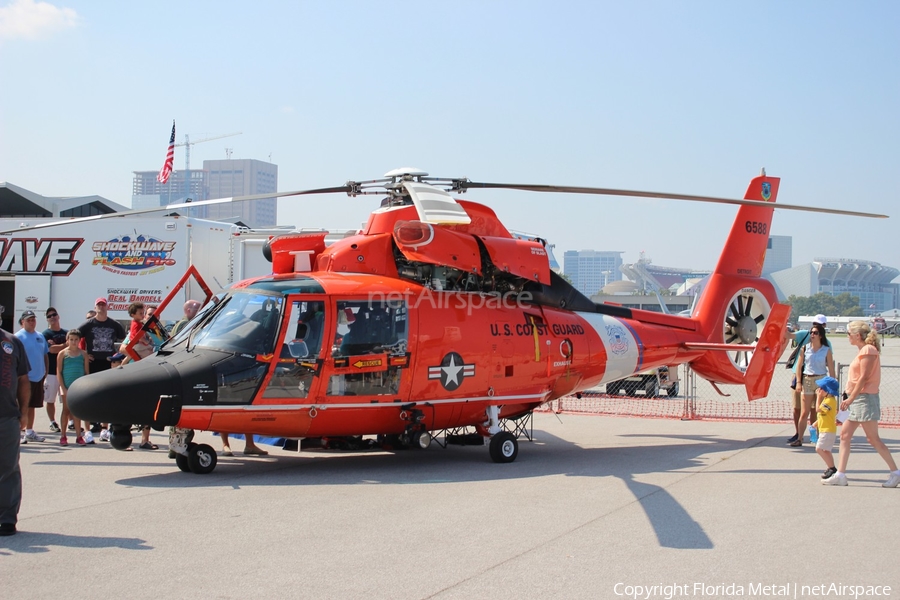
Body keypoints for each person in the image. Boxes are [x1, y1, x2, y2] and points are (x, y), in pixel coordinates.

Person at [824, 321, 900, 487]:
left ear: (858, 335)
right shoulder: (864, 350)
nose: (848, 337)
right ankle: (841, 474)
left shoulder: (868, 350)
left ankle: (895, 472)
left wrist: (850, 399)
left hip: (864, 399)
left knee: (873, 439)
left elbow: (864, 377)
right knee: (845, 435)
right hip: (858, 398)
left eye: (849, 334)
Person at [0, 305, 31, 537]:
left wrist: (24, 412)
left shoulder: (11, 342)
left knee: (8, 467)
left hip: (7, 416)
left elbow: (23, 379)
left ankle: (7, 519)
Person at [77, 298, 126, 441]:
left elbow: (126, 340)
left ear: (107, 307)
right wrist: (84, 354)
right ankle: (91, 426)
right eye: (99, 305)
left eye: (103, 305)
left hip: (107, 362)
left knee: (106, 394)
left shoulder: (114, 324)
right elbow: (73, 337)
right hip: (93, 363)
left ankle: (105, 428)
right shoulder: (88, 324)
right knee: (90, 393)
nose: (101, 307)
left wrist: (119, 355)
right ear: (95, 307)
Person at [783, 314, 832, 445]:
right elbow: (788, 336)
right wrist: (780, 322)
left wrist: (832, 385)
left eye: (818, 328)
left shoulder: (827, 347)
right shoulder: (804, 340)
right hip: (804, 378)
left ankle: (814, 435)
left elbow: (830, 367)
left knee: (816, 410)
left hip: (820, 379)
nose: (814, 331)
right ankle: (799, 435)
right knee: (798, 409)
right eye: (814, 326)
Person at [15, 310, 49, 444]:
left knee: (32, 405)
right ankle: (16, 433)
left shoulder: (40, 336)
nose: (31, 322)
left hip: (38, 377)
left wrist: (45, 372)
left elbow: (45, 354)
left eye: (33, 319)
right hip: (24, 378)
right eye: (28, 320)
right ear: (22, 322)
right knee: (20, 405)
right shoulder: (17, 337)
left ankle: (29, 432)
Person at [57, 330, 90, 446]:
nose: (74, 342)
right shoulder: (62, 354)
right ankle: (63, 436)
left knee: (77, 411)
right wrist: (63, 388)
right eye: (71, 339)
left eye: (76, 339)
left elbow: (86, 372)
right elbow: (59, 372)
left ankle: (79, 436)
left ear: (79, 340)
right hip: (65, 386)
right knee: (66, 410)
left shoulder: (83, 354)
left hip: (78, 388)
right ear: (67, 340)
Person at [41, 307, 67, 433]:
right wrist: (64, 345)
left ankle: (71, 422)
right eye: (49, 316)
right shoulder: (45, 335)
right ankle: (52, 422)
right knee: (50, 399)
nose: (52, 317)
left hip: (65, 371)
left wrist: (58, 346)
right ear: (47, 319)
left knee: (67, 399)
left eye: (54, 315)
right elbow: (51, 350)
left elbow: (72, 347)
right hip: (51, 370)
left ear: (58, 316)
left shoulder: (67, 333)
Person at [812, 376, 840, 480]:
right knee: (826, 450)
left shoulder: (829, 401)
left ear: (828, 390)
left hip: (828, 431)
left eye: (822, 388)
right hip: (825, 429)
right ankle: (831, 467)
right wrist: (817, 423)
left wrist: (818, 398)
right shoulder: (827, 399)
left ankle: (832, 468)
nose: (819, 390)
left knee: (819, 449)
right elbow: (824, 415)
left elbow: (818, 410)